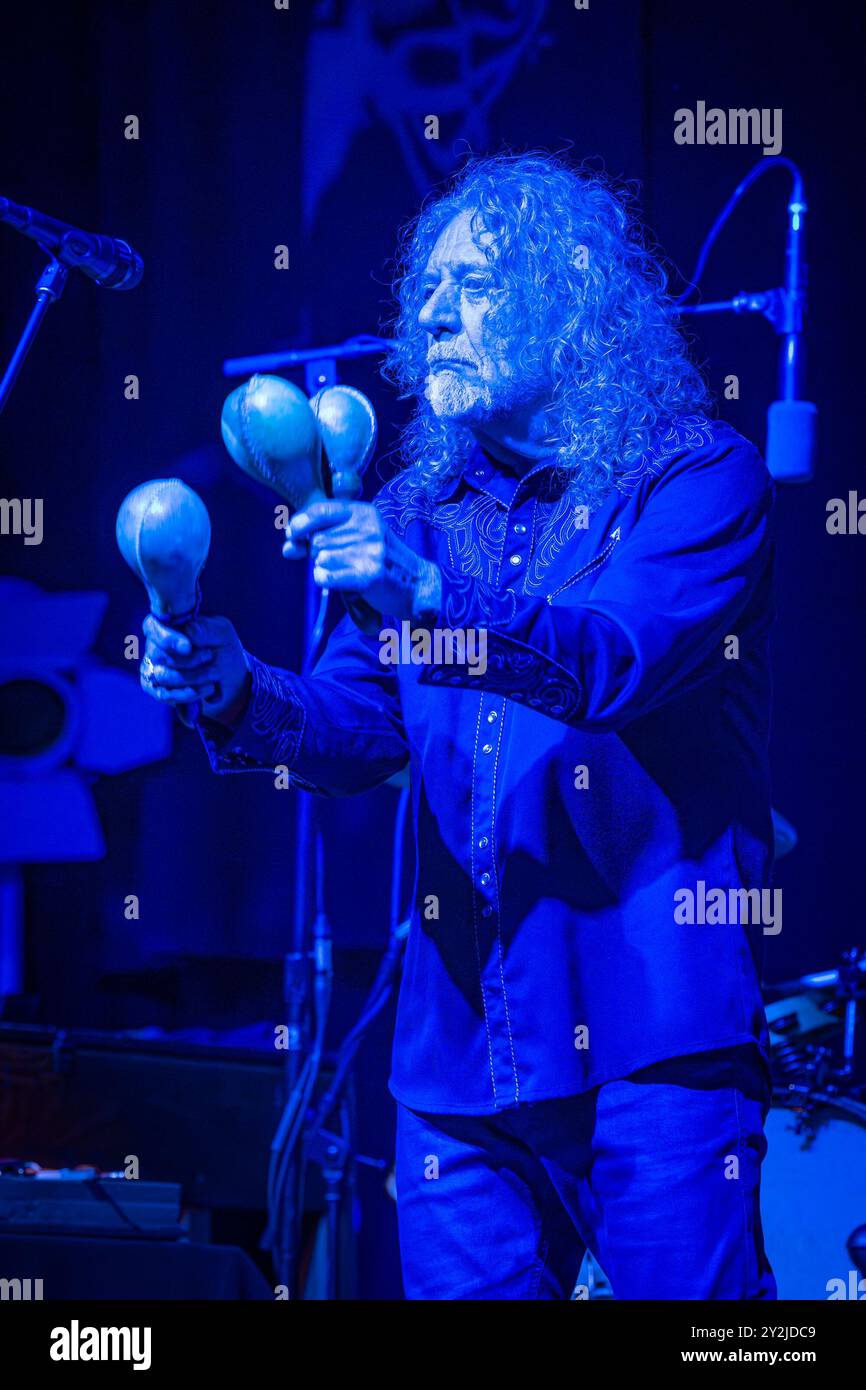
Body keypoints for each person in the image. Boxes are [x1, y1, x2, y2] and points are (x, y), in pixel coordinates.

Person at [139, 151, 777, 1300]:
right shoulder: (410, 509)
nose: (430, 310)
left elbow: (611, 661)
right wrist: (232, 685)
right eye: (424, 289)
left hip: (651, 1032)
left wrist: (427, 596)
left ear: (572, 291)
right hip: (454, 1059)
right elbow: (357, 726)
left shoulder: (698, 476)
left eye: (472, 283)